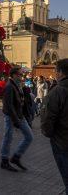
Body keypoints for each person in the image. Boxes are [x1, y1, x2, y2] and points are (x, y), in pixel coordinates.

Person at [41, 59, 68, 194]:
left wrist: (49, 133)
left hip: (62, 141)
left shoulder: (57, 91)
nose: (54, 73)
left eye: (56, 70)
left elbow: (47, 118)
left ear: (60, 73)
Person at [1, 66, 34, 172]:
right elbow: (8, 105)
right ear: (14, 75)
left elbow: (21, 101)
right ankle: (4, 160)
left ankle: (16, 157)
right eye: (20, 75)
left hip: (19, 116)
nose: (22, 77)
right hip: (11, 116)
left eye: (22, 75)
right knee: (8, 138)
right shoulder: (9, 86)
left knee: (29, 136)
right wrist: (16, 120)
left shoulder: (17, 85)